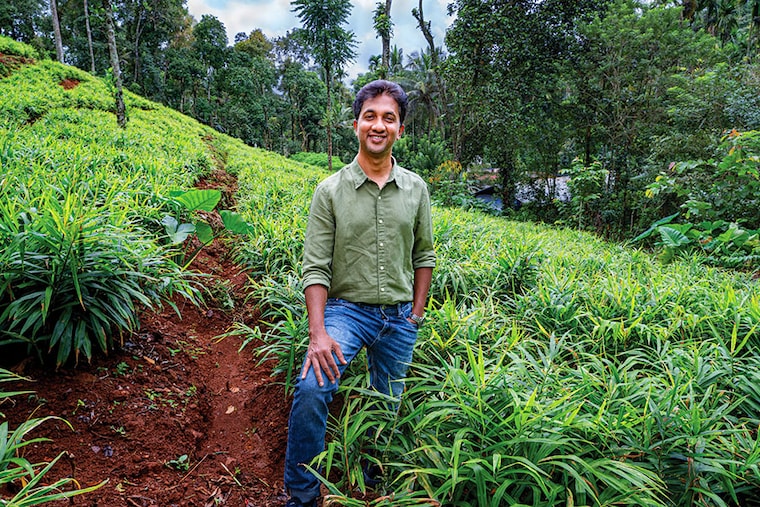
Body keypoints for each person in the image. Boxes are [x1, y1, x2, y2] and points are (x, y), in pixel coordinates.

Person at [283, 80, 436, 507]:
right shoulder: (330, 190)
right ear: (356, 124)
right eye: (371, 115)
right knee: (313, 389)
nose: (379, 125)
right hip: (346, 312)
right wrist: (318, 333)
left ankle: (371, 480)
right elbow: (315, 265)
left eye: (389, 118)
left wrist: (416, 314)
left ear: (400, 129)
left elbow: (424, 254)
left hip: (400, 317)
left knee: (387, 405)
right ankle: (301, 493)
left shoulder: (416, 188)